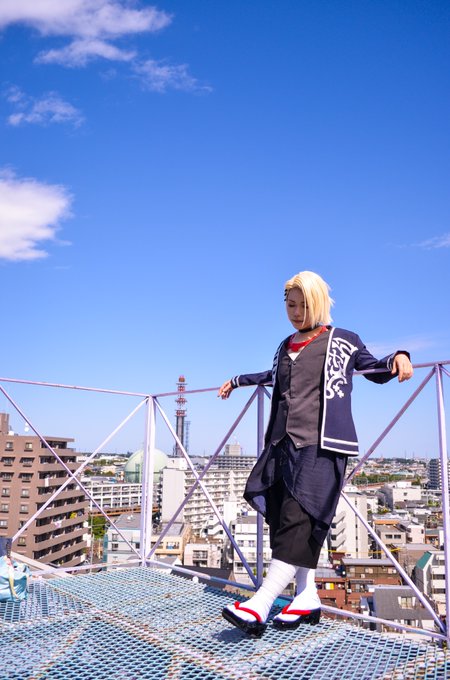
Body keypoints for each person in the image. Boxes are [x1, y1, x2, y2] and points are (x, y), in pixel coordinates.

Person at [219, 270, 413, 637]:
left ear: (319, 304)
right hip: (281, 445)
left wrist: (400, 357)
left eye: (304, 305)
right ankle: (306, 596)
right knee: (284, 520)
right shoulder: (284, 345)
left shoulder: (343, 340)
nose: (296, 312)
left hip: (322, 447)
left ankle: (261, 604)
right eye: (290, 305)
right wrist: (238, 381)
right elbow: (272, 377)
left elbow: (373, 367)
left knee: (299, 519)